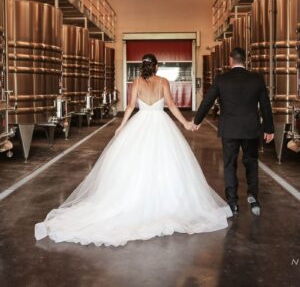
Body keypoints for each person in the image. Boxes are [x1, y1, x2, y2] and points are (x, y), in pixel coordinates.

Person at [35, 53, 232, 247]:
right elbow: (171, 105)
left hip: (141, 123)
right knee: (166, 163)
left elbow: (130, 107)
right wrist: (186, 124)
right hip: (161, 124)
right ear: (156, 66)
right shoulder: (163, 81)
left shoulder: (136, 82)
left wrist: (121, 127)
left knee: (135, 164)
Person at [193, 48, 274, 216]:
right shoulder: (257, 79)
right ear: (245, 61)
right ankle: (253, 197)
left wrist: (197, 121)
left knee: (229, 165)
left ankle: (233, 203)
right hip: (250, 128)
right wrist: (269, 129)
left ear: (231, 60)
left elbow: (207, 100)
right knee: (251, 163)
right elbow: (266, 105)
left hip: (229, 129)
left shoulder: (222, 80)